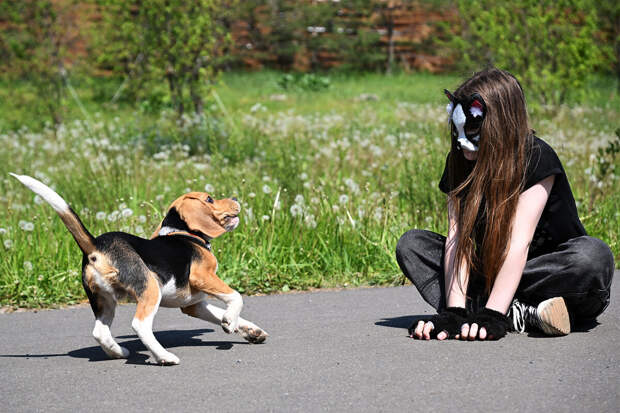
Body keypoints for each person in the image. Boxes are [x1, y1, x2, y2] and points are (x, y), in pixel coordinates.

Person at [395, 68, 615, 341]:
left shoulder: (535, 157)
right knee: (412, 245)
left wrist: (492, 316)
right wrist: (453, 313)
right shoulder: (460, 161)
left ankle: (499, 310)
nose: (462, 141)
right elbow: (457, 239)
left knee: (592, 256)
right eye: (457, 129)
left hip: (550, 277)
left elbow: (518, 243)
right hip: (490, 273)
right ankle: (521, 313)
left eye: (473, 129)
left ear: (500, 126)